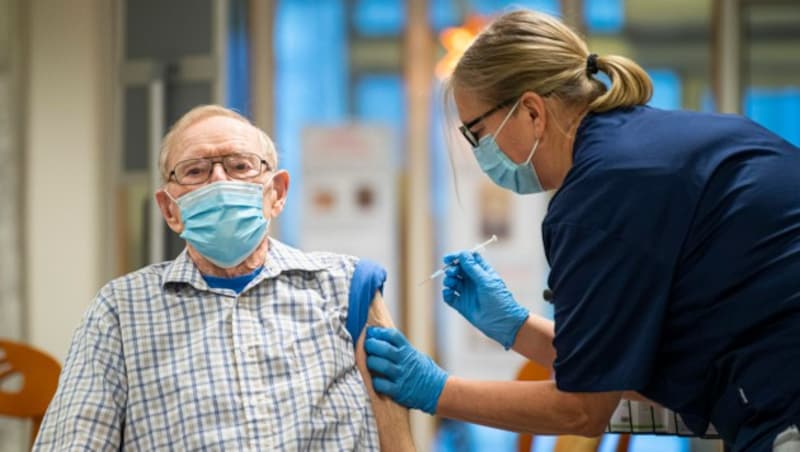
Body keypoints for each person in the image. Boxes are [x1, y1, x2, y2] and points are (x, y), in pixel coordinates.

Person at [364, 9, 800, 452]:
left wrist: (436, 390)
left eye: (478, 133)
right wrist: (516, 328)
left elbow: (582, 409)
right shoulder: (639, 146)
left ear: (532, 111)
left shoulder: (599, 196)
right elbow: (609, 368)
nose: (478, 152)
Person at [34, 105, 414, 451]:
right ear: (170, 210)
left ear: (277, 193)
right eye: (196, 171)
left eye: (240, 166)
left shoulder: (346, 287)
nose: (219, 182)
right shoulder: (120, 312)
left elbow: (397, 442)